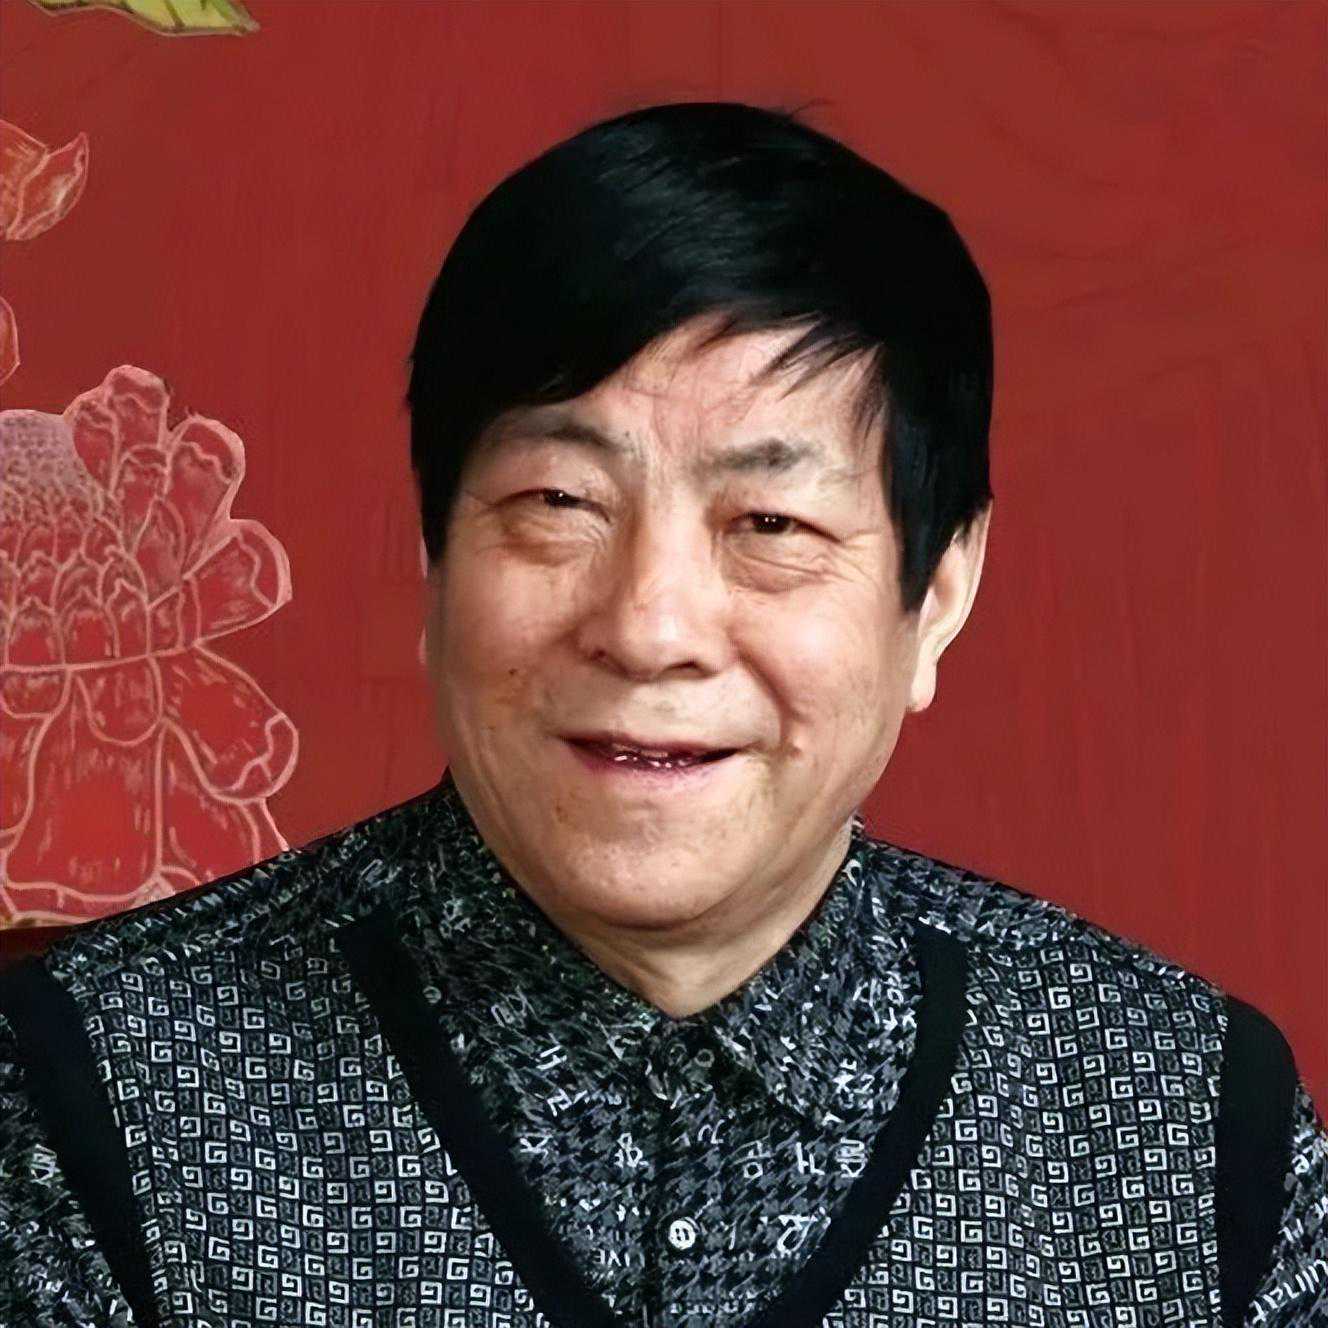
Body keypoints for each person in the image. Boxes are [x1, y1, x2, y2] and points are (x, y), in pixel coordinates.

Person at [1, 100, 1323, 1328]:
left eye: (771, 525)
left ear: (938, 595)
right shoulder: (89, 1101)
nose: (648, 627)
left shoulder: (1185, 1128)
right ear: (434, 556)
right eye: (560, 504)